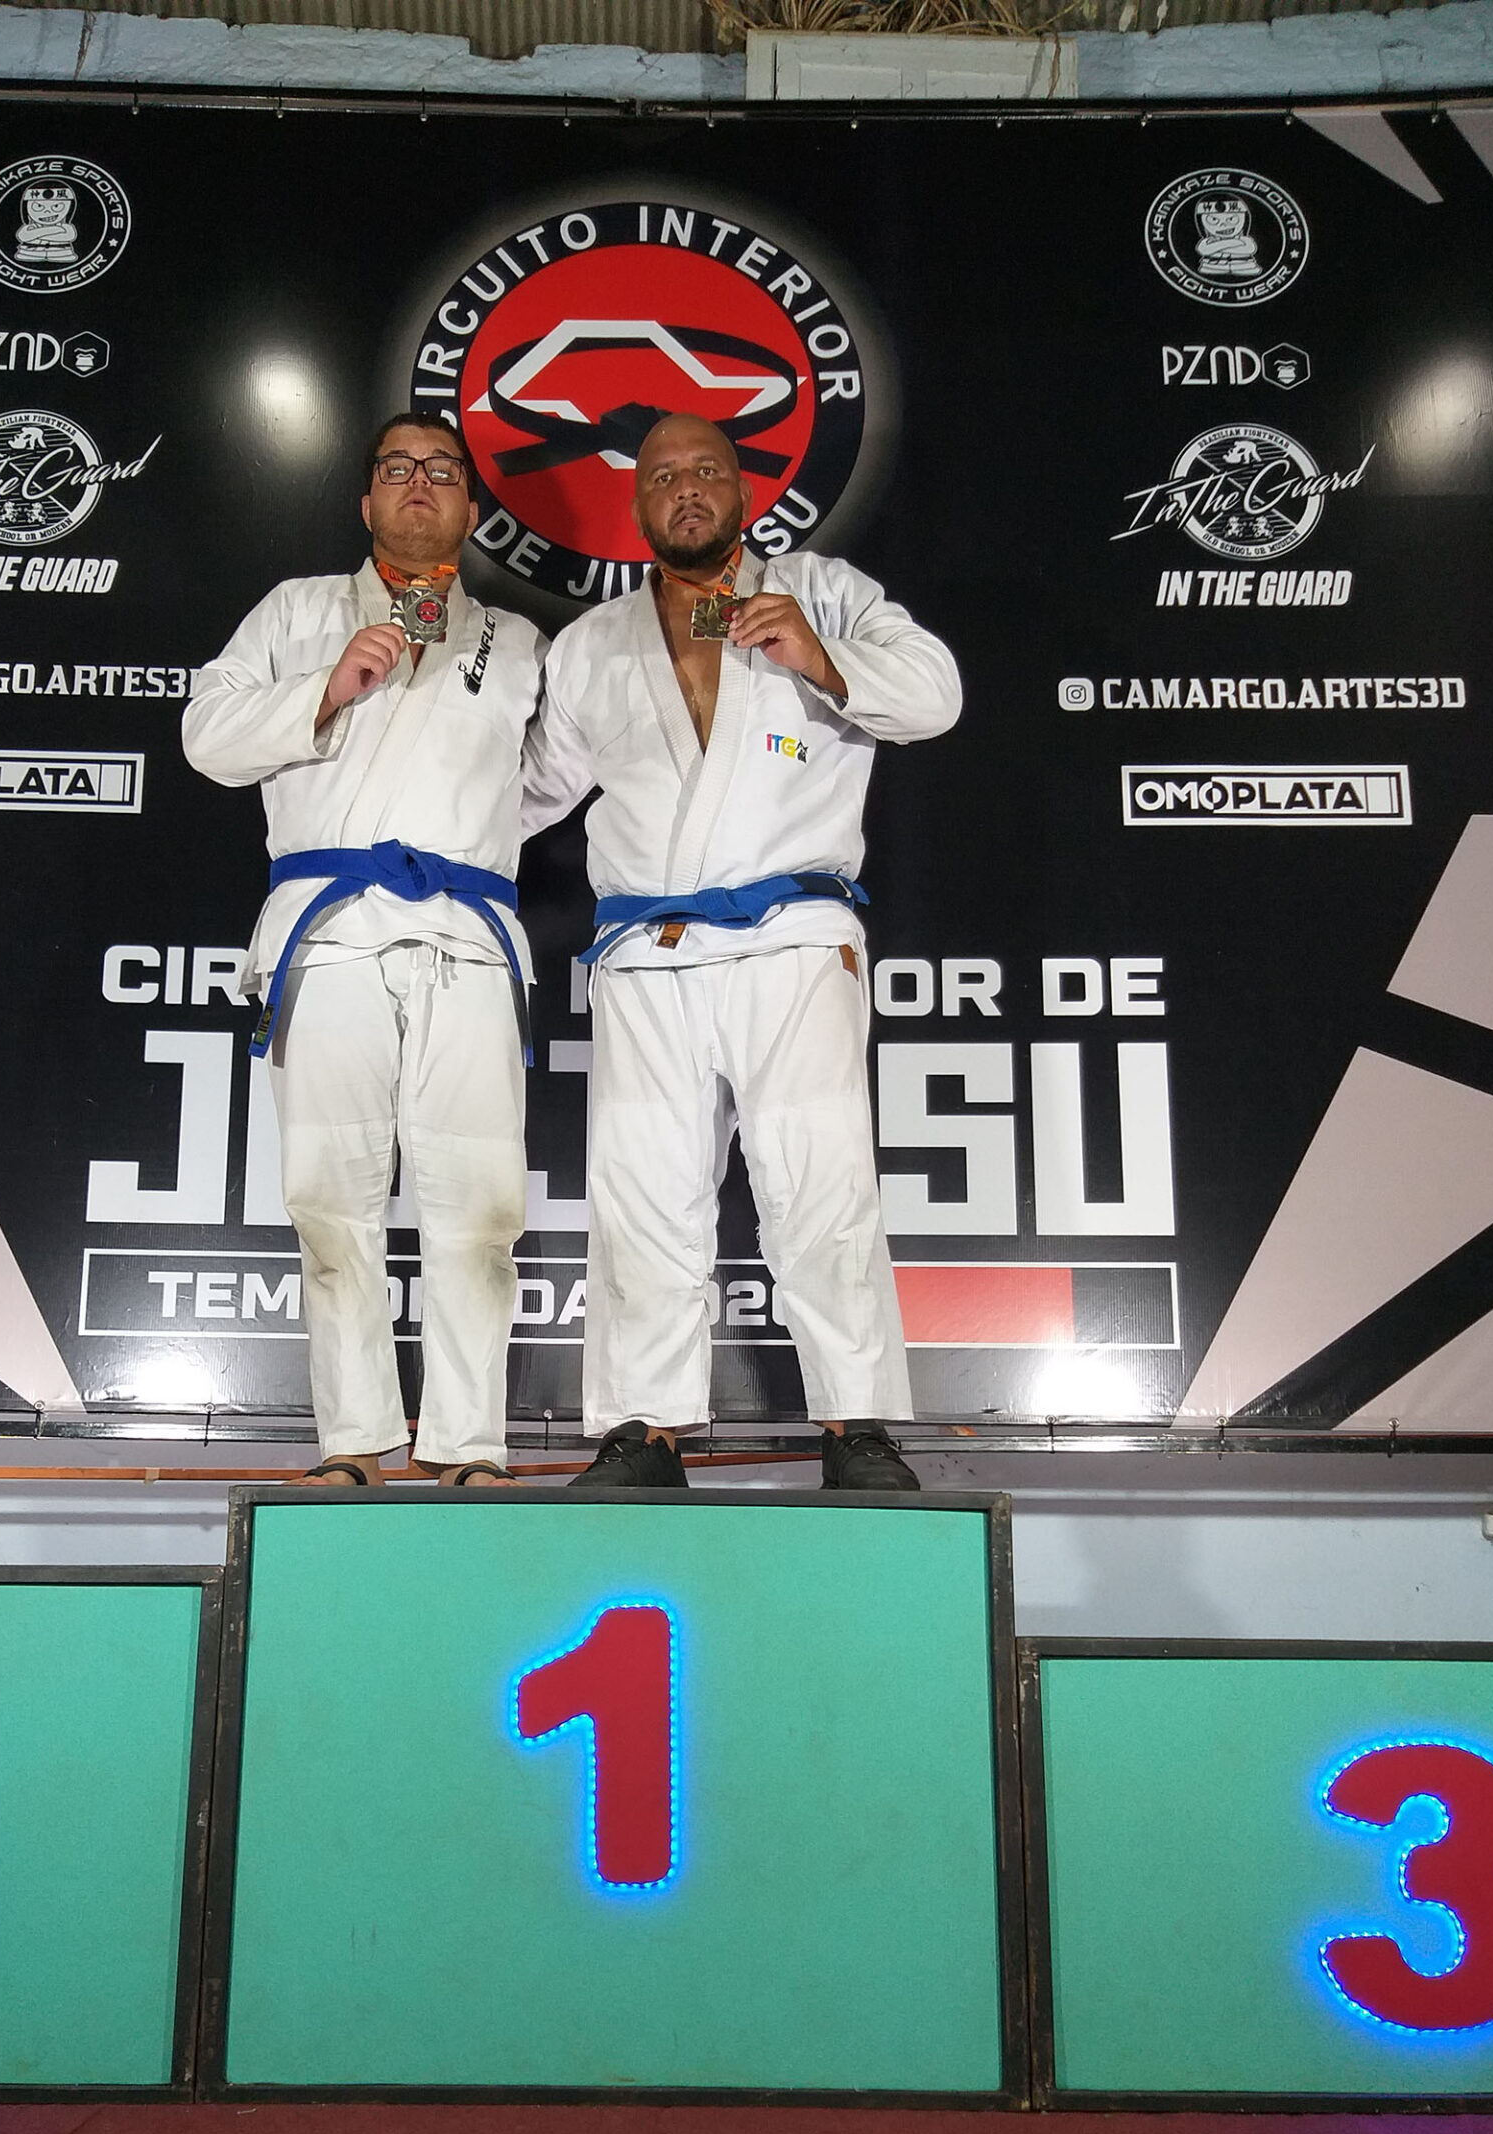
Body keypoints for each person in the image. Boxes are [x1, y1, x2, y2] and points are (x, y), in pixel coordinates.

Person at [522, 412, 962, 1492]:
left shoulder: (825, 593)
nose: (684, 488)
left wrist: (821, 656)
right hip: (645, 946)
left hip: (792, 935)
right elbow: (526, 792)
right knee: (642, 1188)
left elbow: (936, 696)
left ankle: (855, 1425)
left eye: (705, 470)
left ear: (744, 489)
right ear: (637, 503)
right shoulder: (591, 647)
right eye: (662, 475)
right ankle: (646, 1430)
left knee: (819, 1175)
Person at [182, 413, 544, 1488]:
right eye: (397, 468)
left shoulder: (516, 642)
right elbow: (206, 739)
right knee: (329, 1198)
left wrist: (475, 842)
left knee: (480, 1203)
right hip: (331, 934)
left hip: (467, 936)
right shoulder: (297, 613)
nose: (419, 483)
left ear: (471, 508)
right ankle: (353, 1442)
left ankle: (469, 1444)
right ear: (366, 501)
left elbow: (549, 779)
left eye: (442, 471)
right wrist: (326, 690)